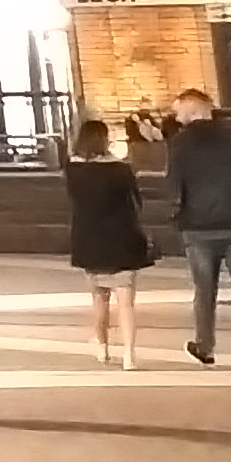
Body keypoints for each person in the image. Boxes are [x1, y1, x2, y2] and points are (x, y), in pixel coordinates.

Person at [168, 87, 231, 370]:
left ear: (192, 109)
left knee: (204, 291)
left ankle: (205, 346)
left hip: (199, 227)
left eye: (178, 110)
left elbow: (174, 185)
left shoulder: (180, 144)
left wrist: (176, 215)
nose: (176, 116)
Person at [61, 117, 150, 368]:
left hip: (90, 240)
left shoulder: (73, 170)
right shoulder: (121, 169)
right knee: (126, 302)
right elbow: (136, 202)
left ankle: (102, 347)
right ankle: (129, 355)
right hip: (123, 239)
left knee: (99, 299)